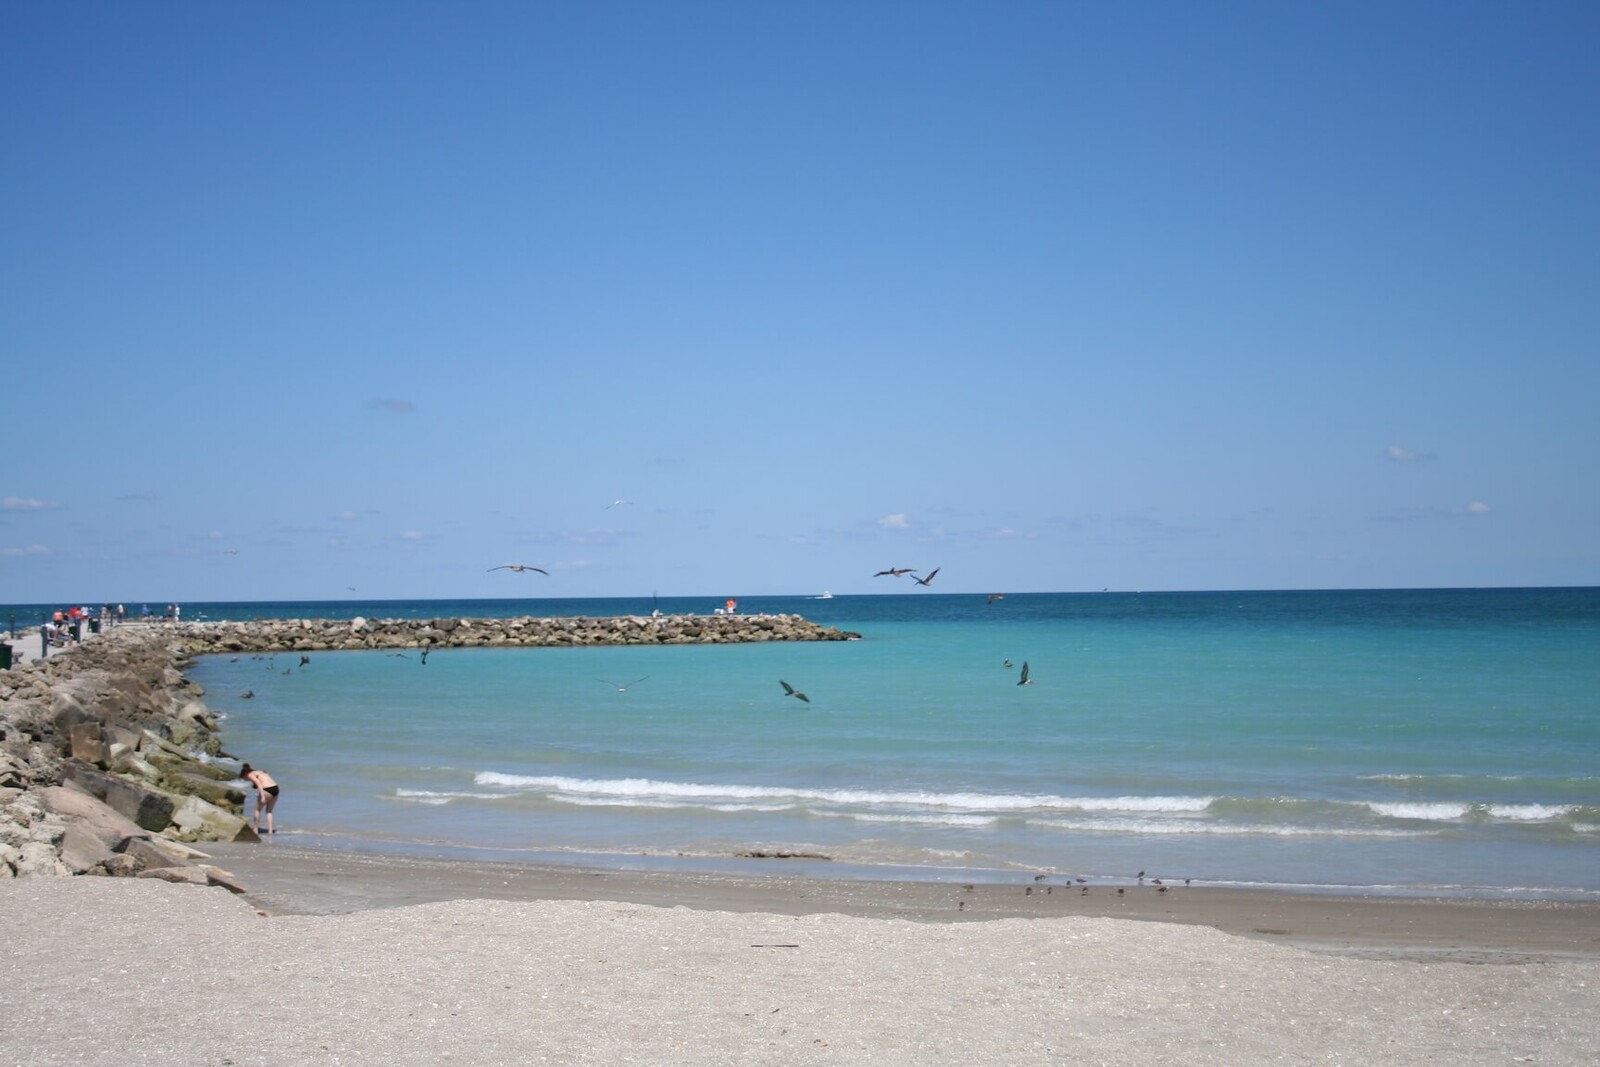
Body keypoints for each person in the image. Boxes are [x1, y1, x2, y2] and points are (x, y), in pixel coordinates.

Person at [239, 763, 280, 835]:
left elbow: (259, 784)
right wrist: (260, 792)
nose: (247, 779)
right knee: (269, 811)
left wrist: (263, 796)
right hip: (276, 788)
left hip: (267, 789)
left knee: (257, 810)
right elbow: (262, 782)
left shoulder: (250, 774)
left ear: (245, 773)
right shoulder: (260, 772)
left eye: (245, 778)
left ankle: (255, 829)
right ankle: (270, 831)